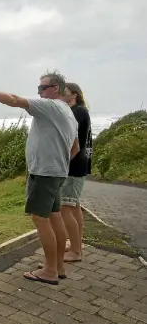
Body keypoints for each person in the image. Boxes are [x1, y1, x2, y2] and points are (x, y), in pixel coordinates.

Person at [0, 72, 79, 285]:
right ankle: (58, 266)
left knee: (40, 219)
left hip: (44, 173)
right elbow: (75, 147)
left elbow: (15, 100)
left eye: (42, 88)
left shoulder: (51, 106)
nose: (39, 92)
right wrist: (59, 162)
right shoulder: (68, 113)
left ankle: (50, 271)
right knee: (54, 218)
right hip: (56, 172)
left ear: (56, 89)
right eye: (38, 88)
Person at [60, 82, 92, 262]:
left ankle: (76, 252)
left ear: (74, 95)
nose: (61, 95)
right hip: (78, 165)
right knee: (75, 207)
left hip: (73, 166)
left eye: (64, 92)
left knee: (65, 207)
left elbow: (74, 142)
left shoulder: (77, 112)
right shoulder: (79, 111)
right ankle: (75, 244)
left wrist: (63, 162)